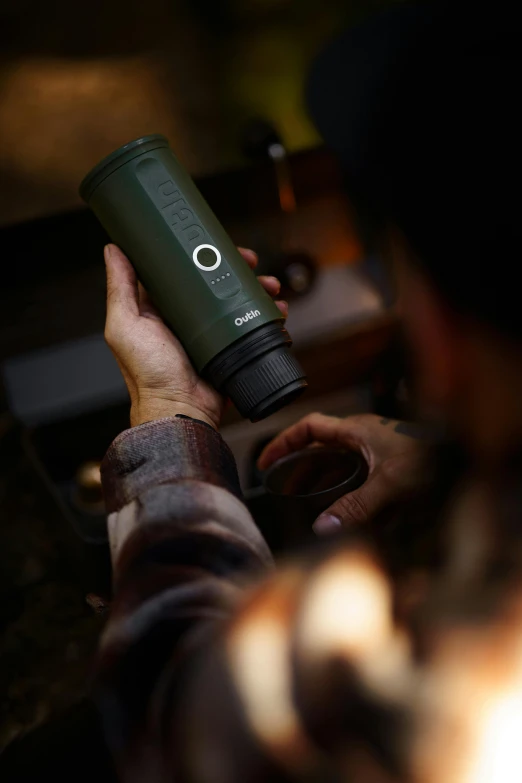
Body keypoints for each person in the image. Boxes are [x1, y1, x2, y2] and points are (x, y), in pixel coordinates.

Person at [97, 4, 522, 782]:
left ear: (443, 343)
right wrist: (437, 464)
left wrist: (168, 418)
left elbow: (173, 693)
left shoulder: (423, 686)